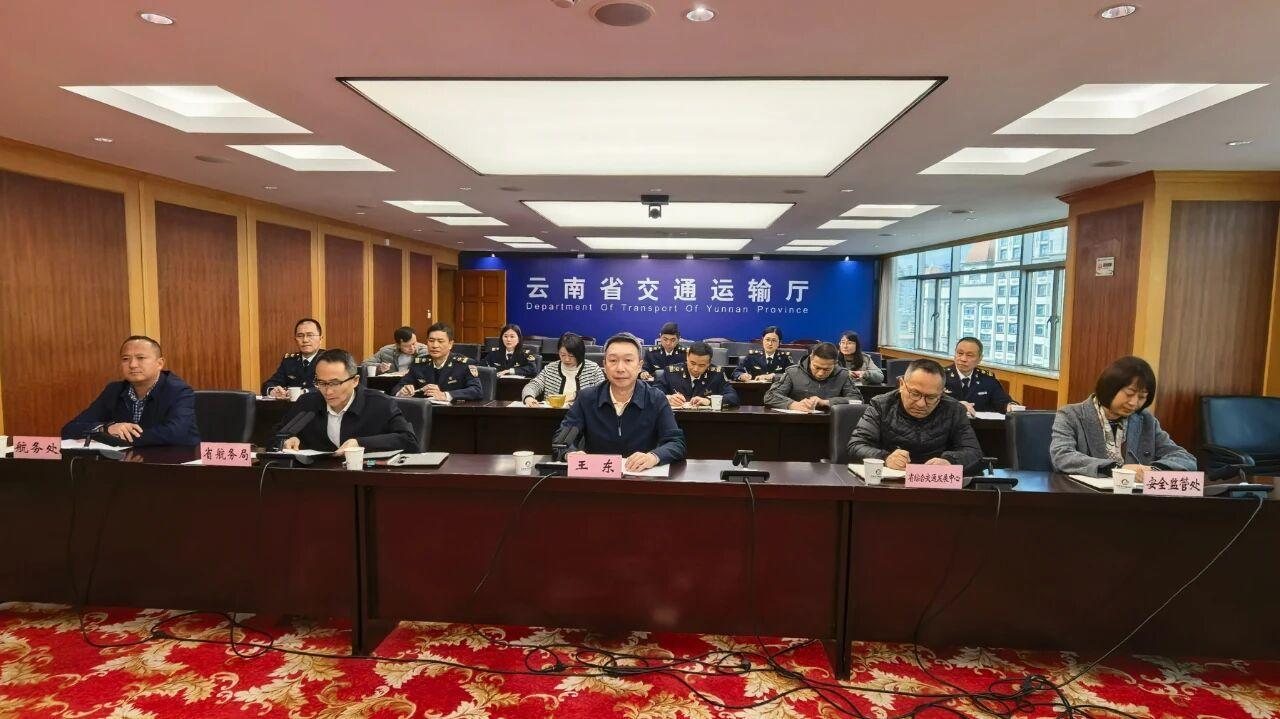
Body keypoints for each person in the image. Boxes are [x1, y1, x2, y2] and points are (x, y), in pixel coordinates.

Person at [555, 333, 686, 471]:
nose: (620, 368)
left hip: (641, 477)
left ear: (639, 366)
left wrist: (653, 457)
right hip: (597, 475)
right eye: (613, 360)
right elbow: (561, 441)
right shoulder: (586, 398)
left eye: (628, 360)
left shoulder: (656, 399)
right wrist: (570, 454)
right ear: (604, 365)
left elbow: (676, 443)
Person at [1050, 356, 1195, 480]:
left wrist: (1153, 471)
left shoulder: (1146, 420)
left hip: (1136, 499)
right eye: (1129, 394)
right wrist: (1117, 470)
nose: (1134, 403)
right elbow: (1061, 456)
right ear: (1110, 387)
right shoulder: (1071, 415)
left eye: (1142, 397)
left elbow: (1185, 458)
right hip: (1087, 496)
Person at [847, 358, 983, 472]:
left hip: (935, 485)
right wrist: (885, 458)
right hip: (889, 484)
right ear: (902, 385)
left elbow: (974, 453)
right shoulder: (881, 405)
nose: (921, 404)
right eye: (915, 394)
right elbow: (856, 446)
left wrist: (950, 461)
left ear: (941, 392)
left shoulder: (954, 410)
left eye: (931, 397)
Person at [62, 336, 199, 446]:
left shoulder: (178, 390)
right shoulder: (114, 390)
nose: (132, 365)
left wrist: (112, 437)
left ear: (160, 363)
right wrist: (106, 429)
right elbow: (69, 429)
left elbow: (175, 433)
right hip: (128, 462)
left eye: (141, 358)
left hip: (175, 462)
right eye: (125, 359)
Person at [274, 349, 418, 453]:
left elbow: (409, 441)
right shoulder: (307, 403)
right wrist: (286, 441)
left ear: (355, 381)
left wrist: (360, 443)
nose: (328, 391)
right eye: (321, 383)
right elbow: (274, 436)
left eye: (335, 383)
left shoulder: (380, 404)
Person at [392, 322, 483, 401]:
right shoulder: (419, 364)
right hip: (424, 411)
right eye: (431, 341)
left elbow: (476, 390)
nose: (435, 345)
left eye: (440, 341)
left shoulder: (464, 364)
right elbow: (397, 387)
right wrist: (402, 391)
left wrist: (445, 395)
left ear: (450, 344)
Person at [763, 342, 861, 411]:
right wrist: (793, 404)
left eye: (826, 369)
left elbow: (857, 400)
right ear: (811, 358)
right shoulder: (793, 372)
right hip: (797, 423)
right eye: (817, 367)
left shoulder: (842, 375)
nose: (820, 373)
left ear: (835, 363)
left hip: (832, 425)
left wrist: (826, 402)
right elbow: (770, 396)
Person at [521, 332, 605, 406]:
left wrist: (576, 395)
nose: (567, 359)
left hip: (585, 415)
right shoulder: (550, 368)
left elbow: (603, 392)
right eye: (563, 355)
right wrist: (528, 397)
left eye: (571, 356)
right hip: (554, 415)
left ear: (579, 354)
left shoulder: (593, 369)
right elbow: (533, 386)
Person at [944, 337, 1016, 414]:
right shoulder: (941, 376)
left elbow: (1003, 401)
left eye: (969, 355)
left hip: (978, 421)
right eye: (960, 353)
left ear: (980, 359)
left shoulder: (987, 379)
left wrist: (1010, 406)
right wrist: (956, 405)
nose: (963, 359)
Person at [659, 341, 740, 408]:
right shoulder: (671, 372)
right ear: (687, 357)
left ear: (709, 363)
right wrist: (668, 398)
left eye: (701, 365)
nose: (695, 369)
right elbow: (654, 394)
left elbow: (733, 397)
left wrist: (709, 400)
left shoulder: (717, 374)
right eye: (692, 363)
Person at [263, 318, 325, 398]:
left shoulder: (329, 360)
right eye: (300, 336)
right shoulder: (289, 361)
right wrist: (273, 391)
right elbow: (269, 384)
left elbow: (331, 386)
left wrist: (305, 392)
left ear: (320, 339)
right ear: (295, 340)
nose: (305, 340)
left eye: (310, 335)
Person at [362, 326, 428, 374]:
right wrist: (378, 367)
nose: (412, 348)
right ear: (398, 345)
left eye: (414, 343)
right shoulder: (386, 351)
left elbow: (424, 368)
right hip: (391, 383)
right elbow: (364, 365)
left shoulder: (424, 350)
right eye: (407, 346)